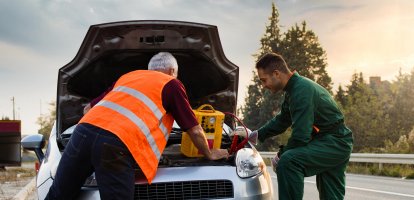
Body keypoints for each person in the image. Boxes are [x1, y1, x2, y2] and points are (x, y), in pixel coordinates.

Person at [46, 52, 229, 199]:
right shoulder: (172, 84)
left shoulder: (129, 77)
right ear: (173, 71)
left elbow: (88, 109)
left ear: (150, 69)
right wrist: (210, 153)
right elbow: (195, 129)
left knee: (58, 194)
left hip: (82, 133)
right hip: (114, 144)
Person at [248, 52, 353, 200]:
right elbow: (282, 120)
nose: (264, 85)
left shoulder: (301, 90)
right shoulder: (294, 90)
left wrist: (282, 154)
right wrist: (256, 135)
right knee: (332, 196)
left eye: (264, 80)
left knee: (288, 162)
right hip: (334, 141)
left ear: (276, 74)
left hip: (334, 142)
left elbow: (301, 136)